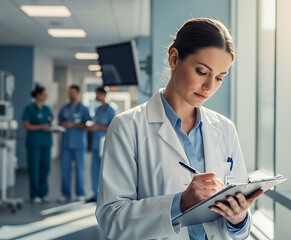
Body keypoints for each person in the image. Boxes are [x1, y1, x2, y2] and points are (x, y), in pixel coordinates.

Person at [95, 18, 264, 240]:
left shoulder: (225, 128)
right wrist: (180, 202)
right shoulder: (127, 127)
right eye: (202, 72)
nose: (210, 87)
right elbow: (111, 218)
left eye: (219, 78)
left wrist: (238, 219)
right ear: (174, 58)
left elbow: (239, 228)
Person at [58, 85, 91, 202]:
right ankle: (65, 193)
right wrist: (62, 125)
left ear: (78, 94)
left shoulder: (84, 108)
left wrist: (74, 125)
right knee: (65, 169)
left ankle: (80, 193)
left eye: (72, 93)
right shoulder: (64, 108)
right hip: (66, 144)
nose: (70, 95)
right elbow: (60, 122)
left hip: (79, 144)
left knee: (80, 169)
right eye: (69, 93)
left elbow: (87, 125)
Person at [22, 84, 53, 203]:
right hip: (34, 143)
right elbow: (26, 125)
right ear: (38, 95)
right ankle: (34, 194)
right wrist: (41, 126)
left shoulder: (47, 109)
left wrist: (52, 128)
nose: (46, 97)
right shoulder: (29, 109)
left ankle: (43, 193)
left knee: (45, 169)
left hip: (46, 142)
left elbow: (49, 123)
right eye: (44, 95)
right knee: (34, 169)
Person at [87, 86, 116, 202]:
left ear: (102, 94)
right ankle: (95, 194)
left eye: (97, 94)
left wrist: (97, 127)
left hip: (105, 143)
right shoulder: (98, 109)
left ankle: (105, 196)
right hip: (95, 143)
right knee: (94, 170)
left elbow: (113, 127)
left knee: (105, 171)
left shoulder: (111, 109)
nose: (95, 96)